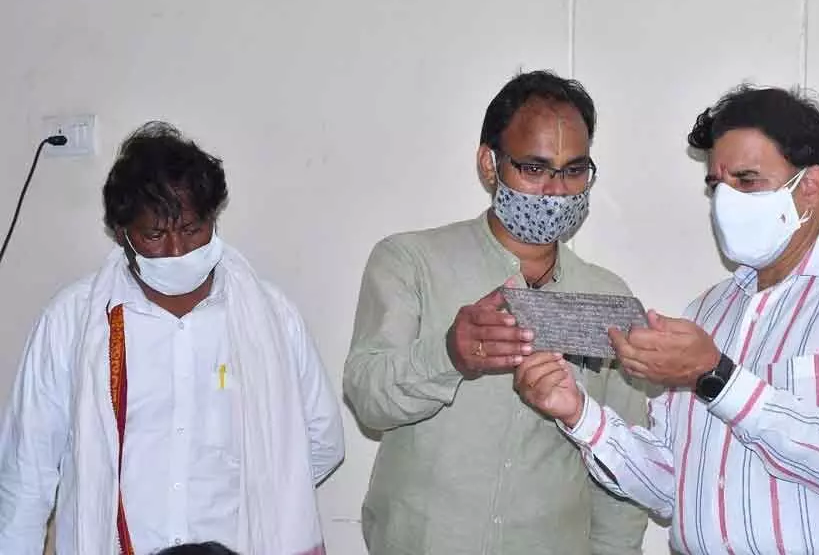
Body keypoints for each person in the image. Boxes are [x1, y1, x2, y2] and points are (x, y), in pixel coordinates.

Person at [514, 85, 819, 555]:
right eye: (716, 184)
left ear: (812, 187)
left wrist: (718, 377)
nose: (725, 200)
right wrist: (577, 413)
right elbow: (670, 484)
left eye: (747, 180)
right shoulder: (709, 310)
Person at [0, 122, 345, 555]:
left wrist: (266, 495)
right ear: (122, 234)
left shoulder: (272, 318)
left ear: (213, 221)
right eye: (156, 235)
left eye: (192, 229)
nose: (178, 251)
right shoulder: (72, 322)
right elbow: (26, 474)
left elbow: (321, 439)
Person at [343, 70, 649, 555]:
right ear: (489, 164)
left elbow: (624, 457)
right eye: (534, 168)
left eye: (574, 171)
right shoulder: (411, 262)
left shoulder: (605, 297)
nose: (555, 191)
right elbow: (368, 399)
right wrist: (448, 356)